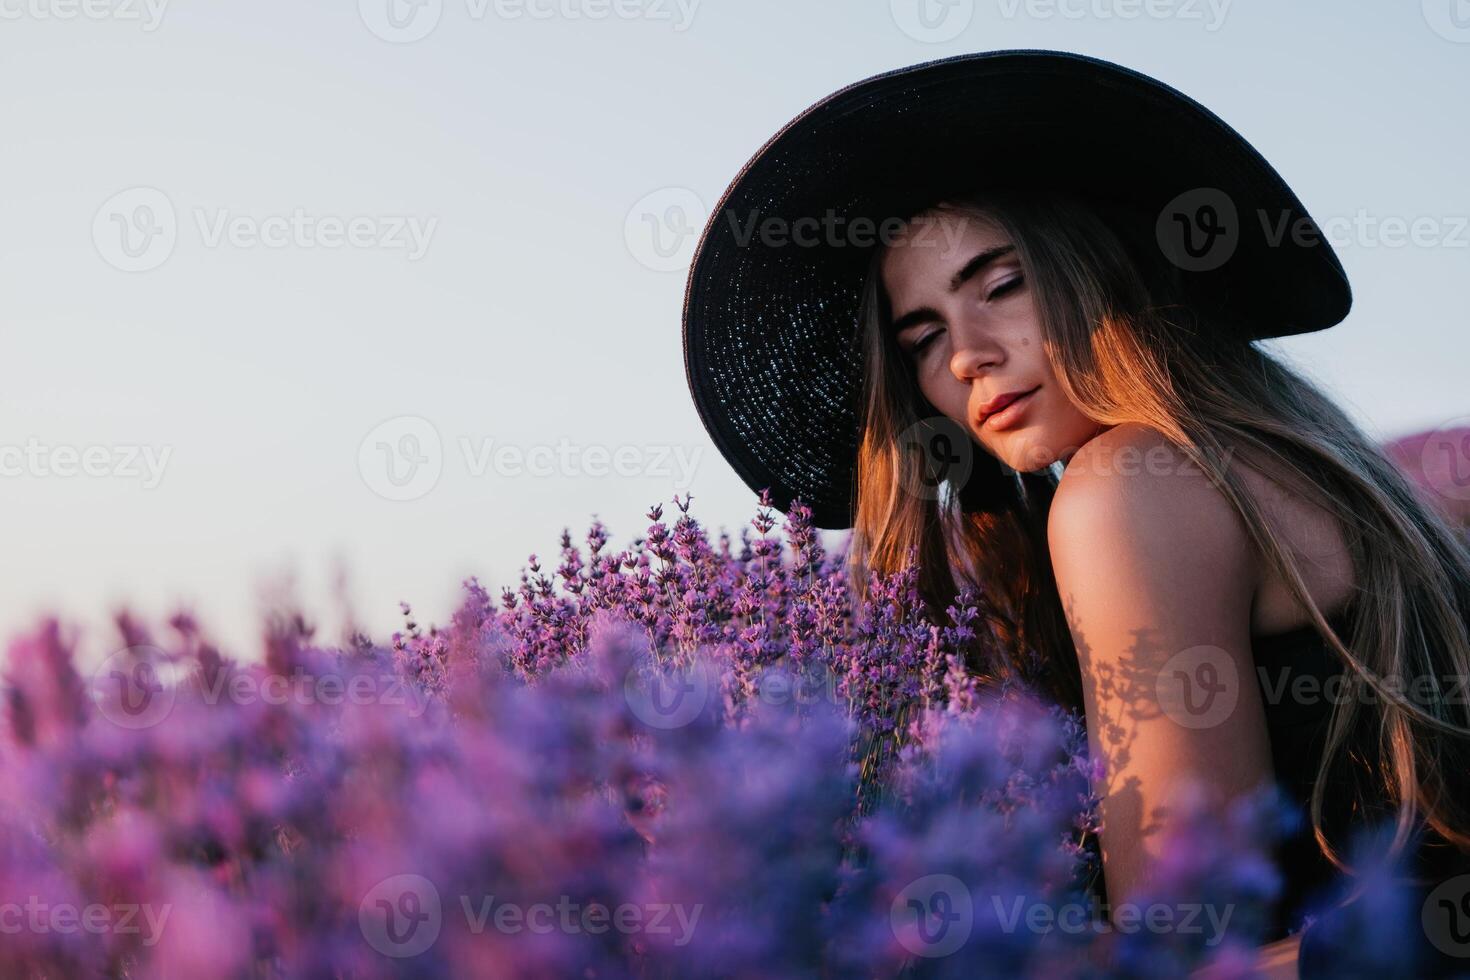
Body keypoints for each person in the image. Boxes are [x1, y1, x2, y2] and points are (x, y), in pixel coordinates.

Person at [681, 51, 1470, 978]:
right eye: (924, 337)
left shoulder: (1125, 485)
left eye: (1001, 284)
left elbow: (1182, 941)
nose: (967, 357)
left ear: (1099, 265)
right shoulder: (1289, 447)